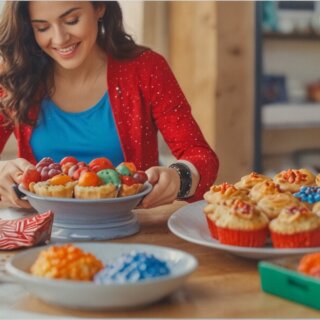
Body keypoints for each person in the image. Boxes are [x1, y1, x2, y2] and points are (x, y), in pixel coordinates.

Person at [0, 1, 219, 209]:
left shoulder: (146, 69)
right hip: (42, 234)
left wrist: (178, 177)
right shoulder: (15, 76)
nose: (59, 39)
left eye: (72, 20)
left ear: (100, 8)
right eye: (42, 27)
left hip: (134, 228)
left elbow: (201, 156)